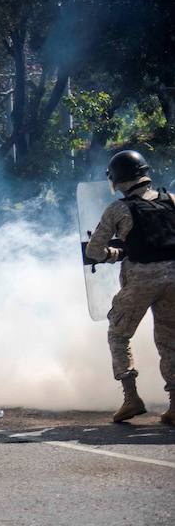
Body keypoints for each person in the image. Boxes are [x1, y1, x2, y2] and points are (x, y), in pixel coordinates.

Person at [85, 150, 175, 425]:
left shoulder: (119, 209)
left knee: (118, 334)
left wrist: (113, 254)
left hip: (140, 281)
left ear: (117, 179)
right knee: (170, 340)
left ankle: (131, 397)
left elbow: (94, 250)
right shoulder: (171, 200)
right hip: (174, 277)